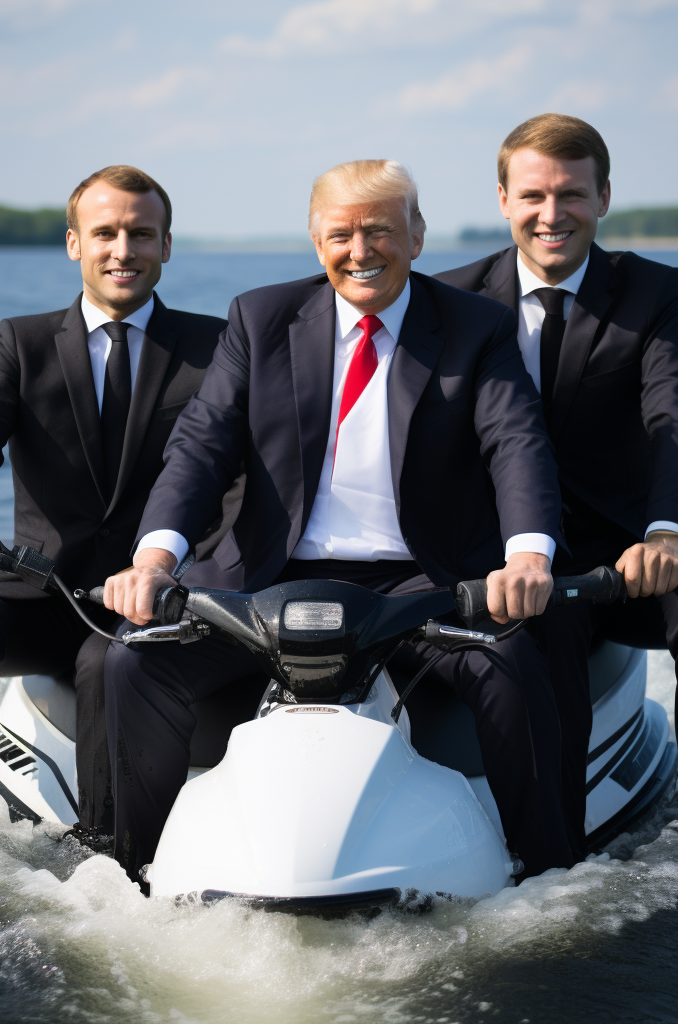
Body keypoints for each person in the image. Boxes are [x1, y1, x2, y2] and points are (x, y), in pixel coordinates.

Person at [102, 159, 572, 884]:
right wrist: (155, 556)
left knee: (509, 662)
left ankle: (549, 877)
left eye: (380, 231)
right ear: (316, 241)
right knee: (134, 657)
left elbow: (517, 441)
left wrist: (528, 556)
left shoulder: (477, 326)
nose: (360, 251)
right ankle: (132, 873)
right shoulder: (259, 318)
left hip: (424, 578)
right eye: (340, 234)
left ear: (416, 237)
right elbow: (203, 443)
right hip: (269, 575)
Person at [435, 114, 678, 861]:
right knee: (542, 647)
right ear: (503, 198)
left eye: (572, 194)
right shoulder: (449, 300)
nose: (552, 215)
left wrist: (667, 533)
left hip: (633, 546)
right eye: (534, 195)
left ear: (604, 196)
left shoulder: (653, 292)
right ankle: (548, 847)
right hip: (511, 555)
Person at [0, 164, 235, 843]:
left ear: (166, 246)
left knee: (105, 666)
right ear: (74, 244)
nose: (124, 250)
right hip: (41, 585)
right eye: (106, 233)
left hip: (157, 596)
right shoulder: (22, 342)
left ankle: (108, 855)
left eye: (141, 234)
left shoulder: (216, 346)